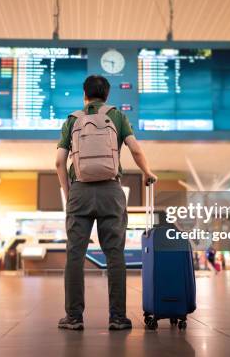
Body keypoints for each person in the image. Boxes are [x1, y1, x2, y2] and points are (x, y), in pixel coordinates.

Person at [55, 75, 157, 331]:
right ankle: (118, 317)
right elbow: (135, 150)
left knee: (75, 254)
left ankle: (74, 317)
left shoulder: (72, 120)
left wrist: (69, 193)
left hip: (79, 190)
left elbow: (59, 162)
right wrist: (147, 172)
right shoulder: (118, 117)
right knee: (115, 255)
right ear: (107, 95)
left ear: (85, 94)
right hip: (111, 190)